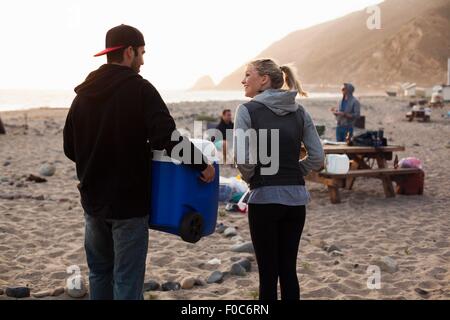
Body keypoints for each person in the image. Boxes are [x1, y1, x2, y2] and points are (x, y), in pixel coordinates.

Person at [63, 24, 215, 300]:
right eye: (141, 53)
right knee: (127, 280)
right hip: (128, 205)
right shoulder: (140, 89)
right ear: (129, 51)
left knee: (99, 272)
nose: (143, 61)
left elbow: (70, 148)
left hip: (92, 201)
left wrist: (93, 166)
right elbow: (167, 138)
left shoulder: (82, 96)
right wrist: (202, 164)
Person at [233, 59, 324, 300]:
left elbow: (243, 160)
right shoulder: (299, 111)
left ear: (263, 79)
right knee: (288, 271)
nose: (243, 80)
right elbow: (317, 157)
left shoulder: (247, 110)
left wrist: (255, 177)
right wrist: (295, 172)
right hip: (296, 202)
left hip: (264, 200)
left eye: (247, 75)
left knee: (268, 276)